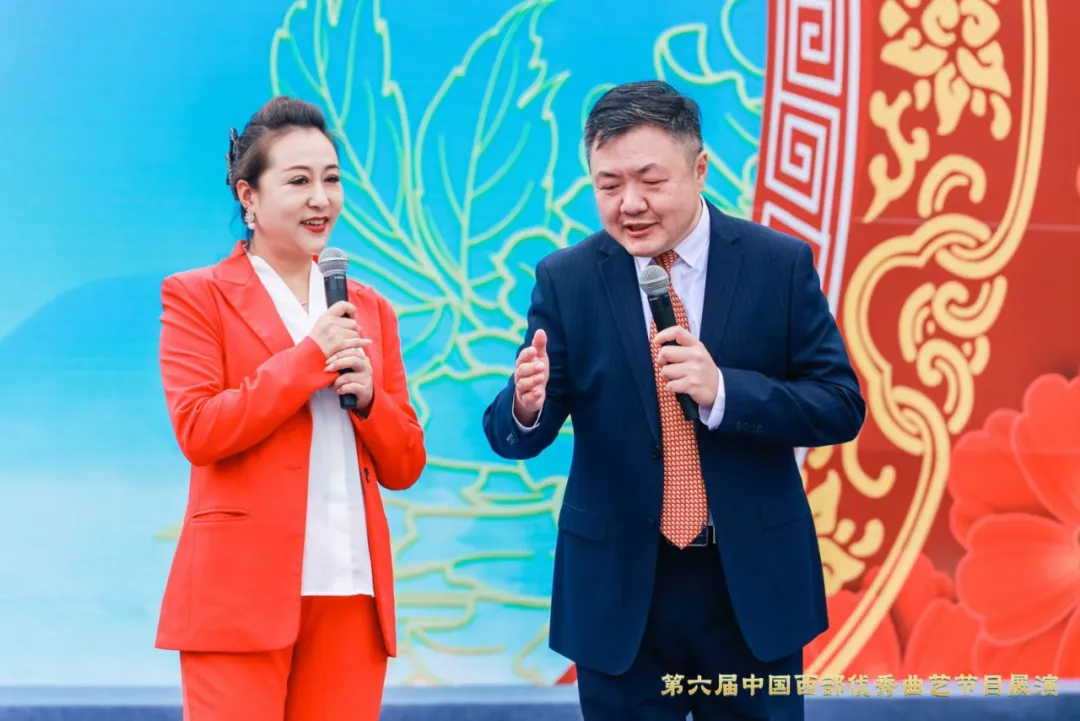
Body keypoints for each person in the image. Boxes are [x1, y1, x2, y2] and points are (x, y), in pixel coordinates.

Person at [482, 81, 866, 720]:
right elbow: (517, 432)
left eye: (651, 181)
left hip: (747, 586)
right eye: (608, 185)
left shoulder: (778, 265)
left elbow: (839, 403)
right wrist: (526, 405)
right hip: (620, 591)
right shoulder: (567, 279)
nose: (629, 204)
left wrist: (725, 392)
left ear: (700, 167)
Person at [155, 96, 426, 721]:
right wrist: (308, 358)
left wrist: (370, 401)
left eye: (331, 180)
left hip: (350, 588)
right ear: (248, 196)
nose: (320, 199)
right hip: (238, 592)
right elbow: (199, 429)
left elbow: (406, 464)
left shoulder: (370, 308)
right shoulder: (197, 296)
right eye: (299, 181)